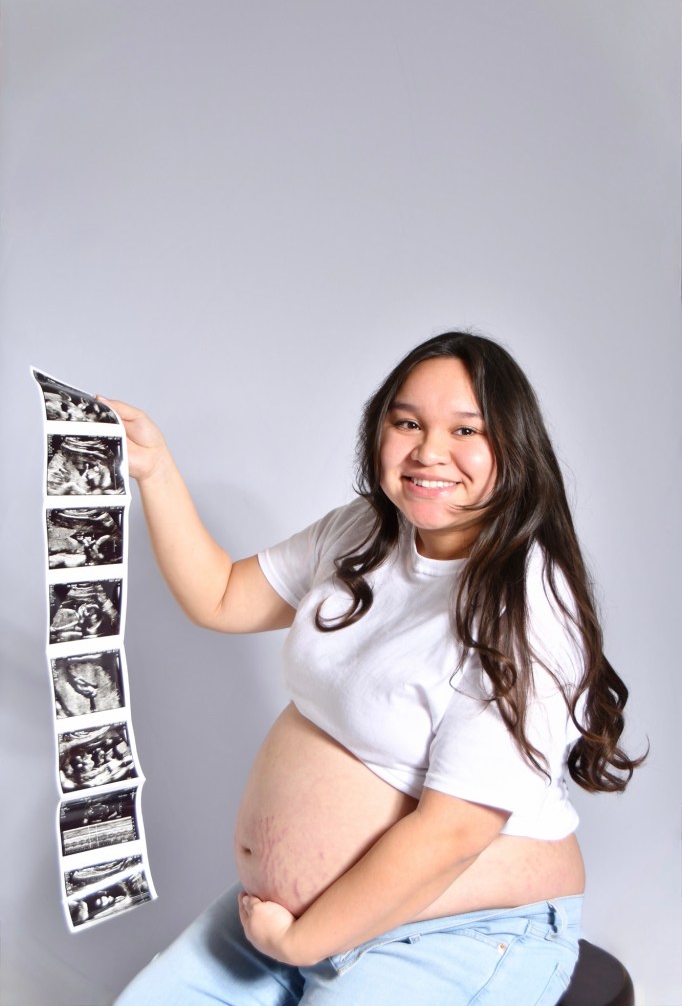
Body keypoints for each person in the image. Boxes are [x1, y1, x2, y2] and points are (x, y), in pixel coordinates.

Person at [108, 332, 643, 1006]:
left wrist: (302, 942)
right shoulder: (366, 529)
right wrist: (155, 469)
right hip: (294, 919)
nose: (429, 451)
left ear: (514, 447)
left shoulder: (523, 607)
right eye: (407, 422)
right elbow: (219, 595)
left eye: (465, 430)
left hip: (461, 929)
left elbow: (452, 833)